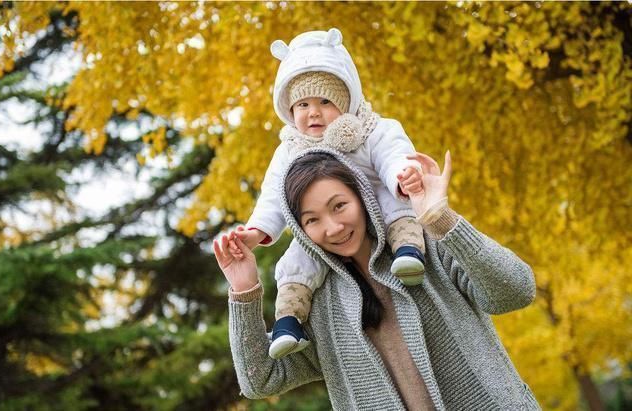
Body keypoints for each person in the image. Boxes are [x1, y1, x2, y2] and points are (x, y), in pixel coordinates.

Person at [214, 148, 541, 410]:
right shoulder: (318, 303)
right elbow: (261, 380)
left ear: (363, 197)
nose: (333, 227)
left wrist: (441, 219)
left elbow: (516, 290)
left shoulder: (427, 247)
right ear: (301, 231)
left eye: (339, 206)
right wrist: (244, 291)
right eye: (312, 220)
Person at [234, 27, 428, 359]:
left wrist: (403, 176)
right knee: (298, 255)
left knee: (392, 199)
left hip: (379, 208)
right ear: (290, 111)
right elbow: (272, 194)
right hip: (326, 227)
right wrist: (256, 231)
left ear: (344, 102)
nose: (314, 112)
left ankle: (408, 250)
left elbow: (394, 154)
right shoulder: (290, 150)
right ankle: (288, 321)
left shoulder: (371, 129)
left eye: (325, 101)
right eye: (303, 104)